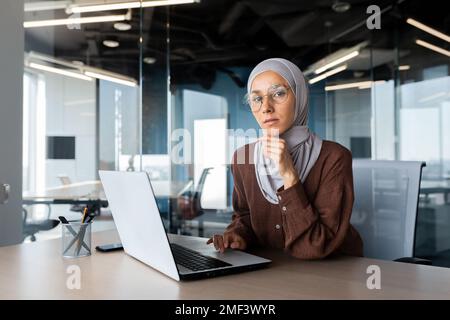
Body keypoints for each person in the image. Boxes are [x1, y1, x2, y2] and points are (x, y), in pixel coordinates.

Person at [206, 58, 363, 259]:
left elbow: (314, 246)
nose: (266, 107)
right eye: (257, 99)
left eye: (278, 93)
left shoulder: (334, 157)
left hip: (335, 272)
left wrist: (288, 173)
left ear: (299, 97)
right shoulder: (242, 158)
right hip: (272, 272)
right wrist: (237, 236)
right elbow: (244, 217)